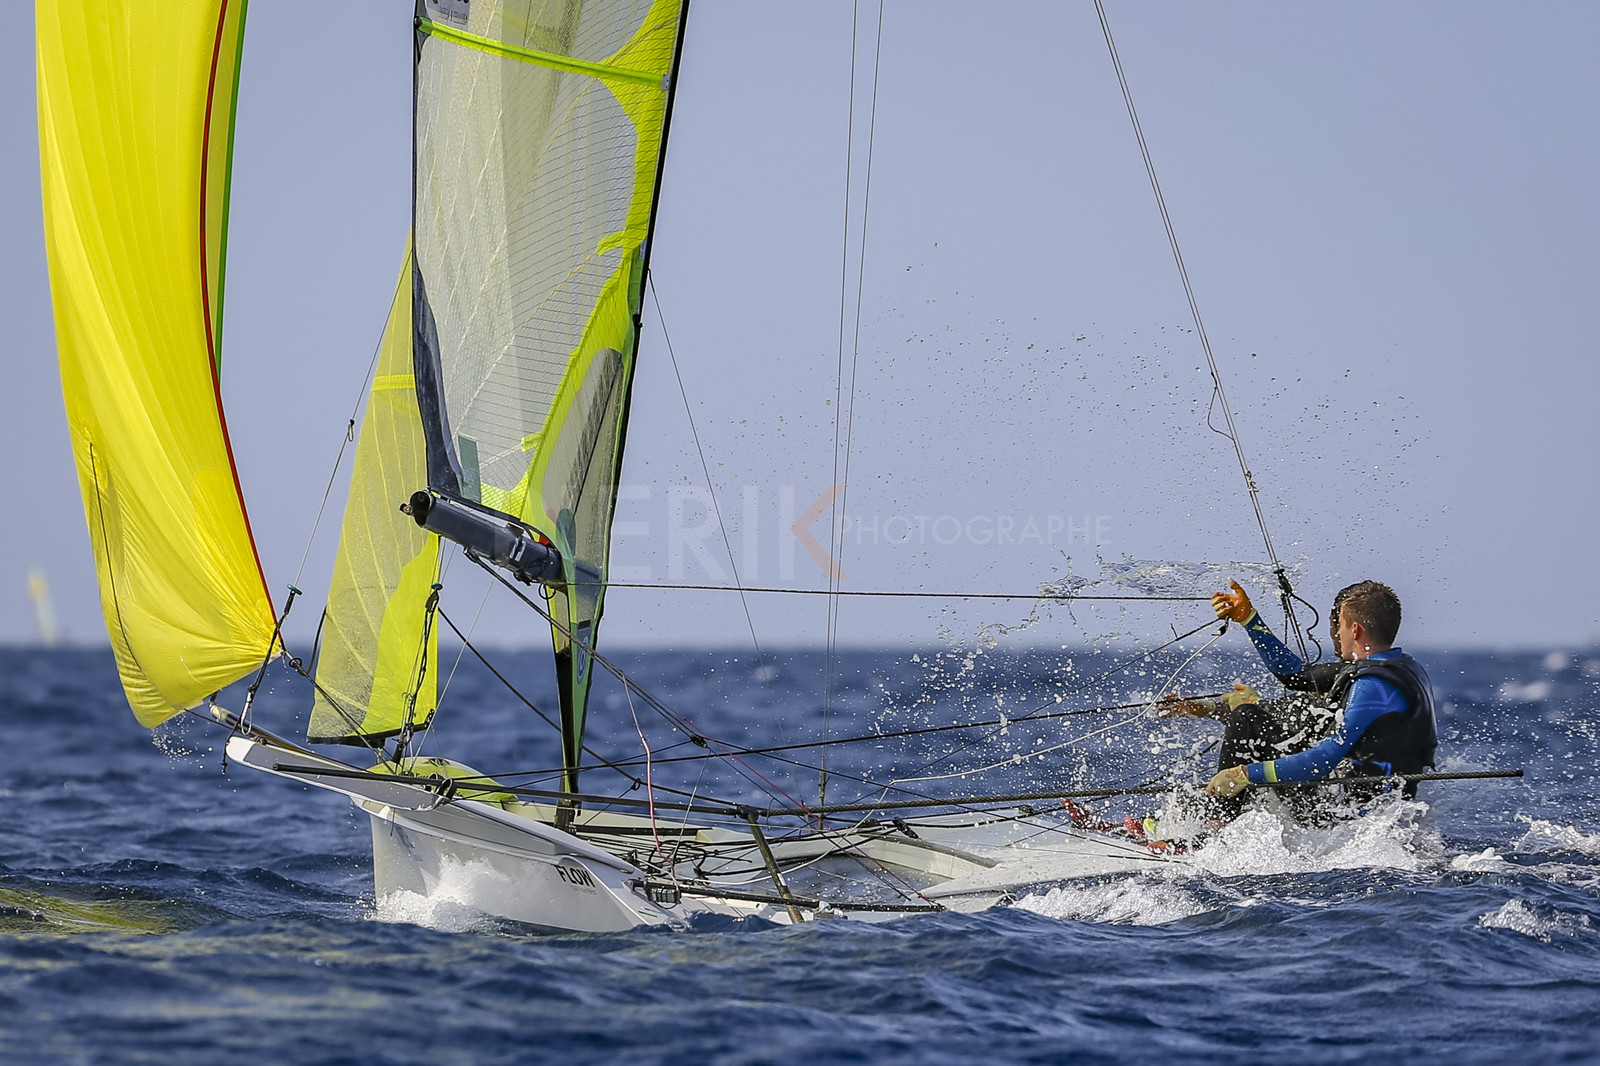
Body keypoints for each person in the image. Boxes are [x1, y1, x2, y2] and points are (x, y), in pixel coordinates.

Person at [1164, 578, 1438, 815]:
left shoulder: (1373, 685)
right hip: (1358, 802)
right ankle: (1195, 817)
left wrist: (1245, 774)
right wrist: (1249, 619)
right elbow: (1297, 677)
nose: (1336, 633)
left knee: (1248, 718)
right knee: (1252, 715)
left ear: (1355, 630)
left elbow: (1324, 758)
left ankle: (1215, 828)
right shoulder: (1398, 668)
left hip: (1350, 815)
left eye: (1340, 625)